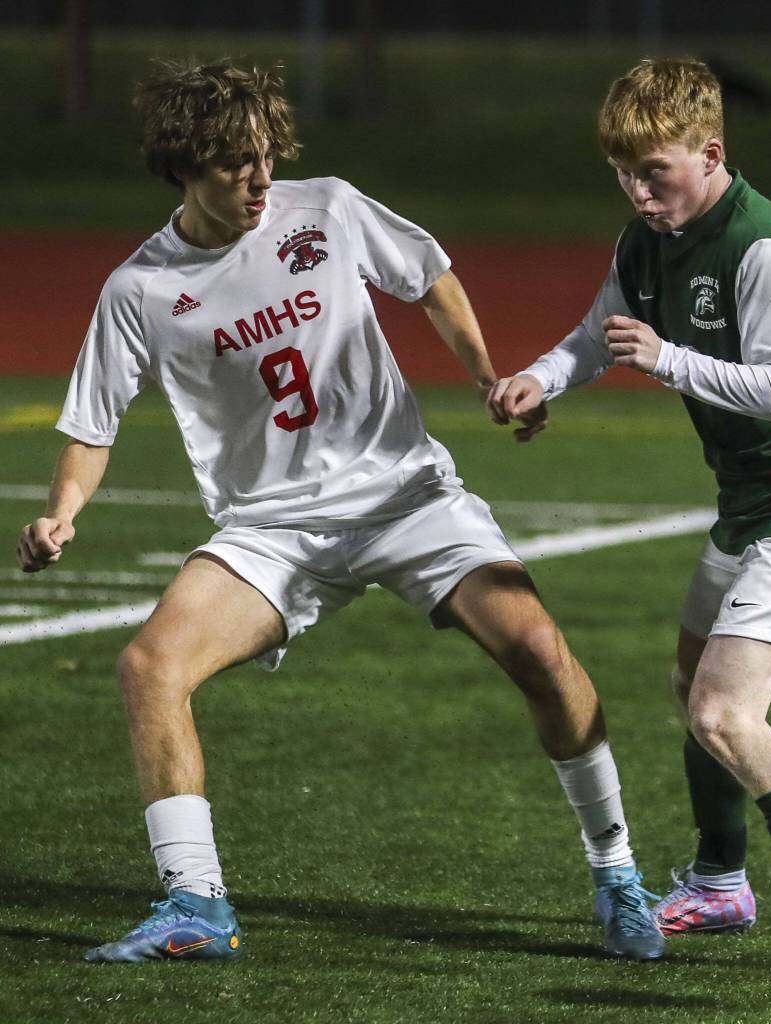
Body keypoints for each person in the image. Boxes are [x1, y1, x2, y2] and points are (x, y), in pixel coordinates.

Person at [15, 60, 666, 964]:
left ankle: (618, 874)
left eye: (264, 156)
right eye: (234, 164)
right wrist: (61, 512)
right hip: (272, 529)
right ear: (183, 168)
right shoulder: (142, 289)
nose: (258, 179)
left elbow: (429, 275)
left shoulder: (326, 208)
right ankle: (197, 906)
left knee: (542, 652)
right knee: (148, 667)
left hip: (404, 494)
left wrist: (486, 375)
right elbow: (92, 422)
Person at [487, 58, 771, 983]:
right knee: (692, 687)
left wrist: (670, 360)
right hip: (750, 503)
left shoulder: (761, 247)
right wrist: (540, 376)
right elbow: (600, 330)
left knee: (724, 712)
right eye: (623, 174)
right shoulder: (644, 243)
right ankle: (721, 881)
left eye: (657, 172)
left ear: (710, 153)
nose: (640, 193)